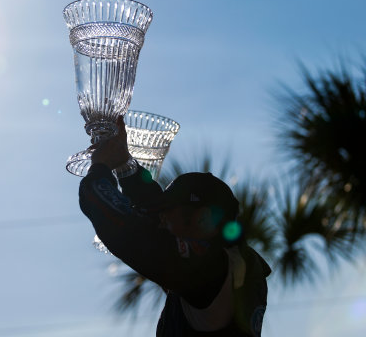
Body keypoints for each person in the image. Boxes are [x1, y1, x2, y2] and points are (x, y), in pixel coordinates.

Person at [78, 116, 271, 336]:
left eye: (170, 212)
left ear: (204, 219)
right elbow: (152, 213)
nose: (162, 220)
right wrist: (125, 165)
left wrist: (99, 169)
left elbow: (130, 232)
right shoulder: (226, 264)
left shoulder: (209, 269)